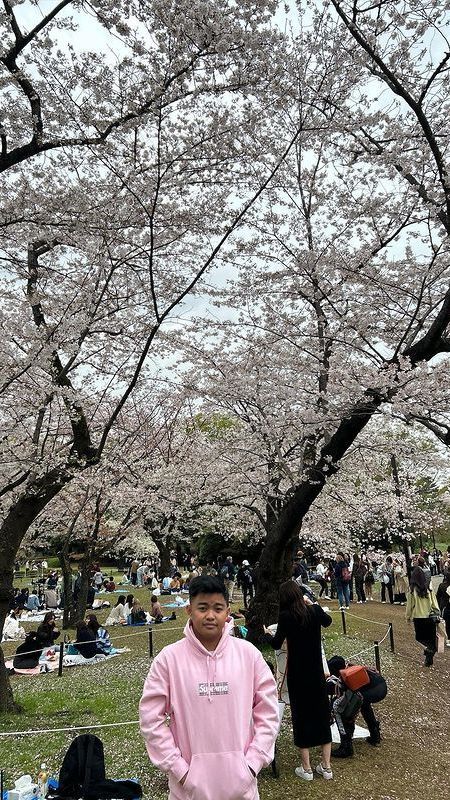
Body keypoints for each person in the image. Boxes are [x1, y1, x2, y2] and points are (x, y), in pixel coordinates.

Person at [140, 575, 278, 800]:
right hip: (187, 791)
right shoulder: (168, 659)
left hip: (242, 788)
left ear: (228, 612)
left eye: (218, 608)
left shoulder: (249, 655)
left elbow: (269, 712)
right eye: (202, 608)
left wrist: (252, 764)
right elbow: (150, 719)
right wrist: (180, 770)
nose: (210, 616)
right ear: (189, 610)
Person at [265, 580, 333, 781]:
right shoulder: (313, 612)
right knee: (322, 714)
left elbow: (277, 643)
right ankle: (326, 767)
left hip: (297, 673)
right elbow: (327, 621)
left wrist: (266, 634)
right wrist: (312, 604)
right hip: (316, 671)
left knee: (301, 716)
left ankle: (307, 768)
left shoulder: (286, 616)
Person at [327, 656, 387, 757]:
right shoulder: (350, 668)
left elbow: (333, 691)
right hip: (381, 685)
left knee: (341, 710)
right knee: (364, 705)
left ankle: (346, 747)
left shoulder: (343, 677)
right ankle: (375, 735)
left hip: (372, 690)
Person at [406, 565, 440, 666]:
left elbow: (410, 605)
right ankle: (429, 654)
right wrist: (437, 612)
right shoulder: (428, 587)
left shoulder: (412, 589)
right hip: (429, 616)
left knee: (420, 638)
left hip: (418, 617)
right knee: (431, 639)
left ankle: (428, 652)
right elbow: (434, 601)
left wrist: (408, 617)